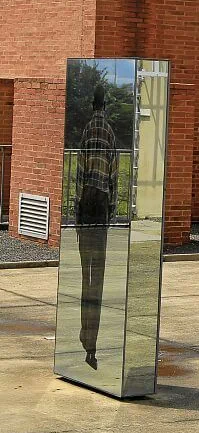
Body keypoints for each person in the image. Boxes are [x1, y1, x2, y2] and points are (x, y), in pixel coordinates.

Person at [75, 85, 118, 369]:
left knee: (83, 275)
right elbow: (114, 174)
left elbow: (79, 173)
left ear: (93, 105)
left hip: (87, 202)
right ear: (106, 106)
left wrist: (77, 210)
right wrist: (112, 208)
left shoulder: (87, 131)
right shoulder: (111, 133)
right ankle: (93, 346)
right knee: (98, 276)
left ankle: (85, 335)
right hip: (101, 203)